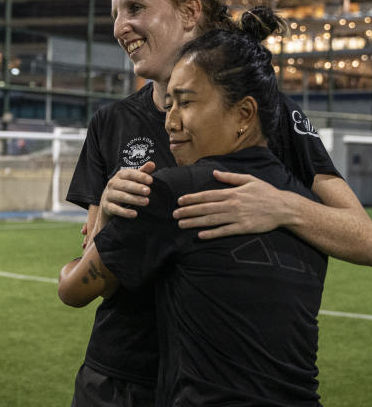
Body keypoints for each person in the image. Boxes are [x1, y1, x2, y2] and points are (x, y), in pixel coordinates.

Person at [64, 0, 372, 405]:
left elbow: (366, 242)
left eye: (135, 9)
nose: (120, 27)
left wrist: (282, 205)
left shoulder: (265, 115)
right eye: (115, 14)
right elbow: (96, 258)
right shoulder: (111, 122)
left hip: (217, 381)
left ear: (190, 11)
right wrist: (110, 217)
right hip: (120, 375)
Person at [60, 22, 329, 405]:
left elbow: (72, 290)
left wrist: (104, 213)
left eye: (185, 103)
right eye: (169, 105)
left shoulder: (170, 192)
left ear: (244, 114)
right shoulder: (305, 207)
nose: (170, 122)